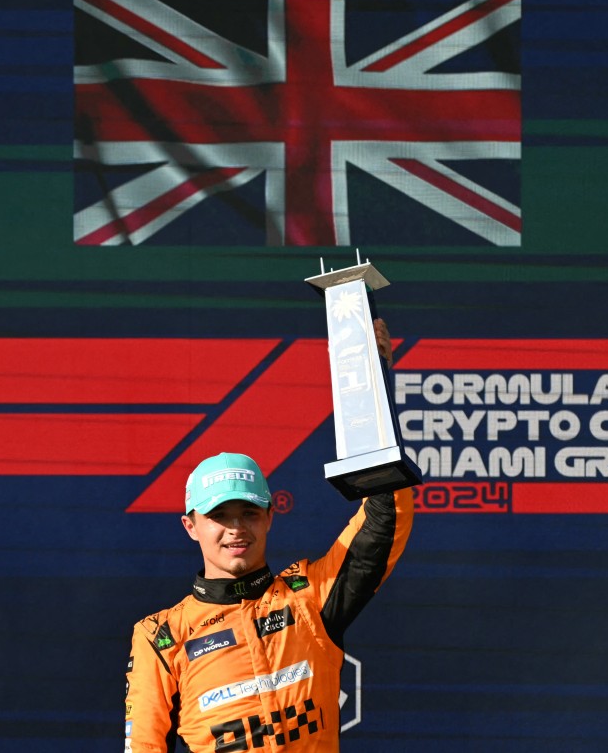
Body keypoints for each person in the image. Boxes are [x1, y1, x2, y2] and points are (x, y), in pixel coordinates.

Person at [125, 320, 413, 752]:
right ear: (191, 526)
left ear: (270, 517)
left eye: (248, 513)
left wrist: (373, 385)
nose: (236, 528)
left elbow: (384, 518)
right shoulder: (162, 636)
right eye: (219, 516)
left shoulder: (309, 597)